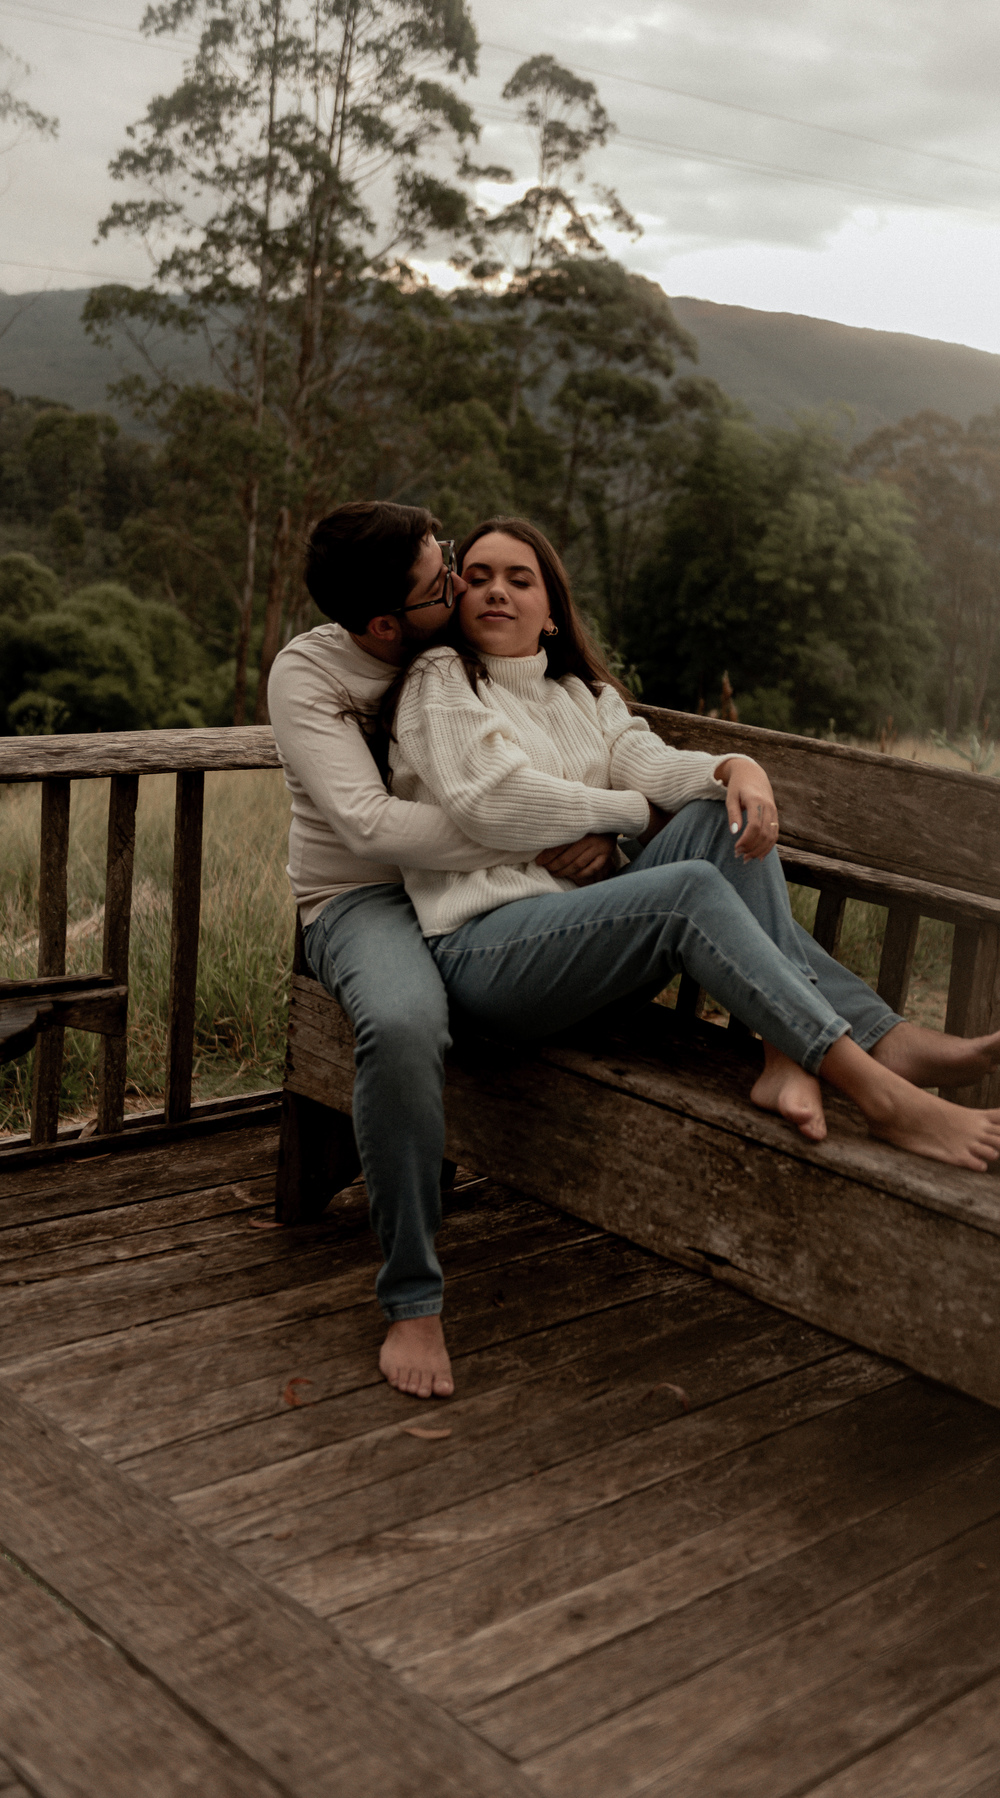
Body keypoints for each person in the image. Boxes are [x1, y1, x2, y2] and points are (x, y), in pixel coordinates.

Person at [378, 516, 1000, 1392]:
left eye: (520, 578)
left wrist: (737, 766)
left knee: (721, 821)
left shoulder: (584, 699)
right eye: (478, 575)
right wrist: (622, 817)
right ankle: (879, 1086)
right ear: (457, 600)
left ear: (552, 611)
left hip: (582, 951)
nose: (495, 589)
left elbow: (657, 764)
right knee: (684, 887)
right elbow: (493, 802)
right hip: (488, 958)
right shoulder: (441, 682)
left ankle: (799, 1054)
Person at [268, 502, 616, 1403]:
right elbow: (370, 824)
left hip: (483, 887)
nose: (462, 584)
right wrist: (536, 836)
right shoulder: (309, 673)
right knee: (402, 1021)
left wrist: (600, 821)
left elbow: (558, 744)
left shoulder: (456, 643)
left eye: (450, 558)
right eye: (441, 582)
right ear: (387, 624)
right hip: (364, 897)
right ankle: (413, 1299)